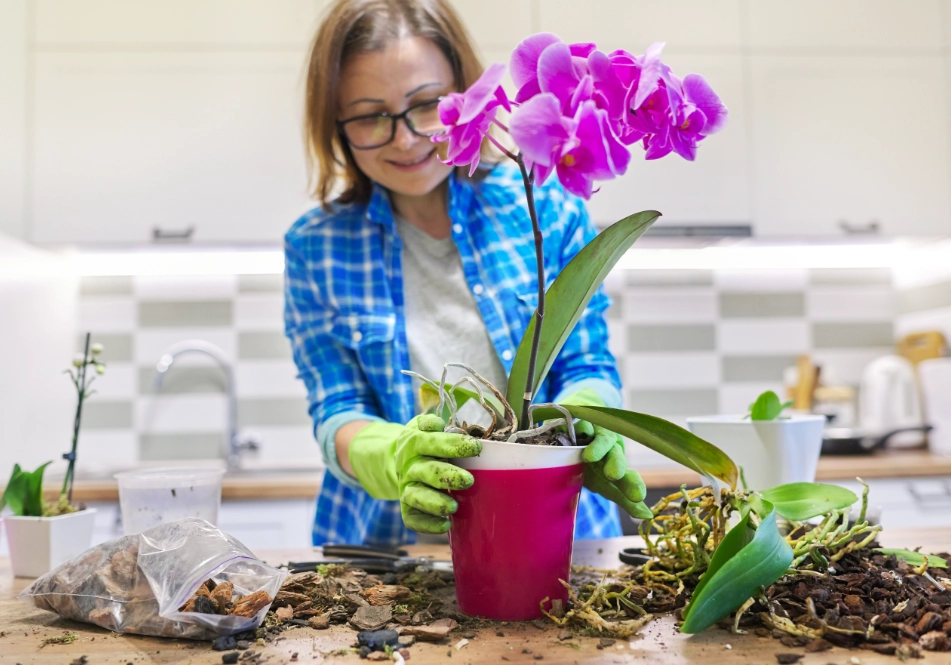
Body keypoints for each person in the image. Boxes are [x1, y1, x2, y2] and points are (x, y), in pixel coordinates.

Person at [284, 0, 647, 547]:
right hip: (390, 560)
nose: (405, 138)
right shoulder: (317, 246)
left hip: (554, 537)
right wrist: (392, 456)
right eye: (368, 115)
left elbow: (585, 359)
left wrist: (592, 411)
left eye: (426, 104)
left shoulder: (543, 207)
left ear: (469, 94)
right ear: (335, 125)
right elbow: (338, 408)